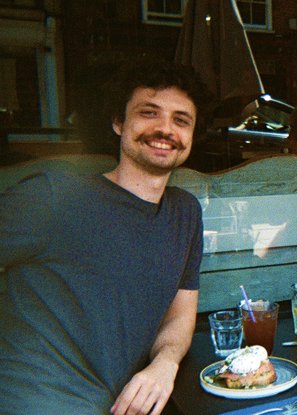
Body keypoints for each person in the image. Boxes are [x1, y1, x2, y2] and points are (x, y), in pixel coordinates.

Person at [0, 60, 212, 415]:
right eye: (149, 112)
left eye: (181, 120)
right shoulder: (55, 197)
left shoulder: (185, 213)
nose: (165, 129)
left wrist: (165, 365)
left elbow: (180, 313)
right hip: (33, 399)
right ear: (118, 122)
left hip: (118, 403)